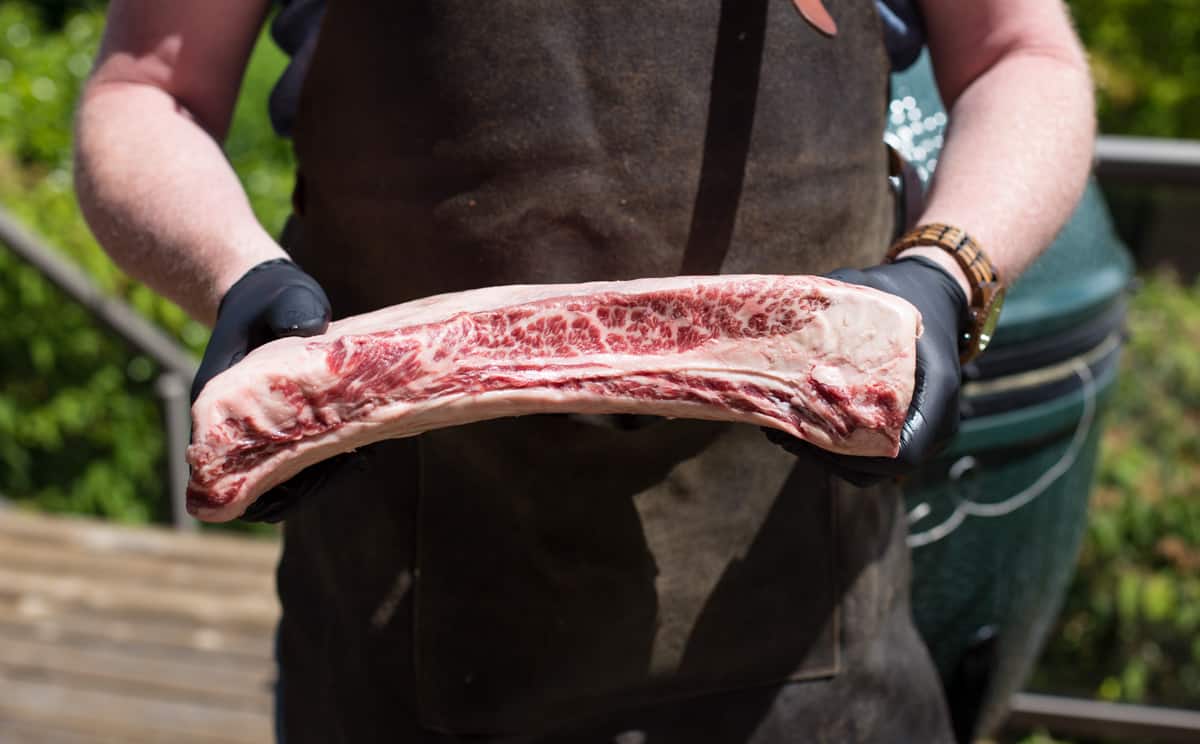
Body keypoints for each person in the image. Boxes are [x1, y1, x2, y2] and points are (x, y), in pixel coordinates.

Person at [74, 1, 1095, 741]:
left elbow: (1021, 54)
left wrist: (950, 270)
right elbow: (148, 87)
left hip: (810, 654)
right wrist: (233, 272)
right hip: (399, 637)